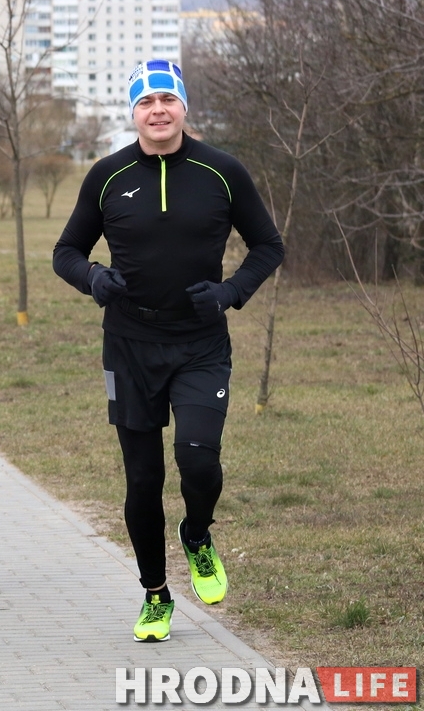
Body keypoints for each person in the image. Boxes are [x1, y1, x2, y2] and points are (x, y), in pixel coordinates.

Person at [52, 60, 284, 643]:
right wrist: (94, 280)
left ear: (184, 107)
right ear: (132, 112)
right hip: (129, 345)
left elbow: (267, 245)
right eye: (146, 101)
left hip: (201, 343)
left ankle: (199, 534)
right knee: (142, 480)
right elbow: (66, 252)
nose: (158, 110)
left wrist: (231, 292)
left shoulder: (222, 171)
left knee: (198, 459)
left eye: (167, 99)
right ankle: (156, 595)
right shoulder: (106, 176)